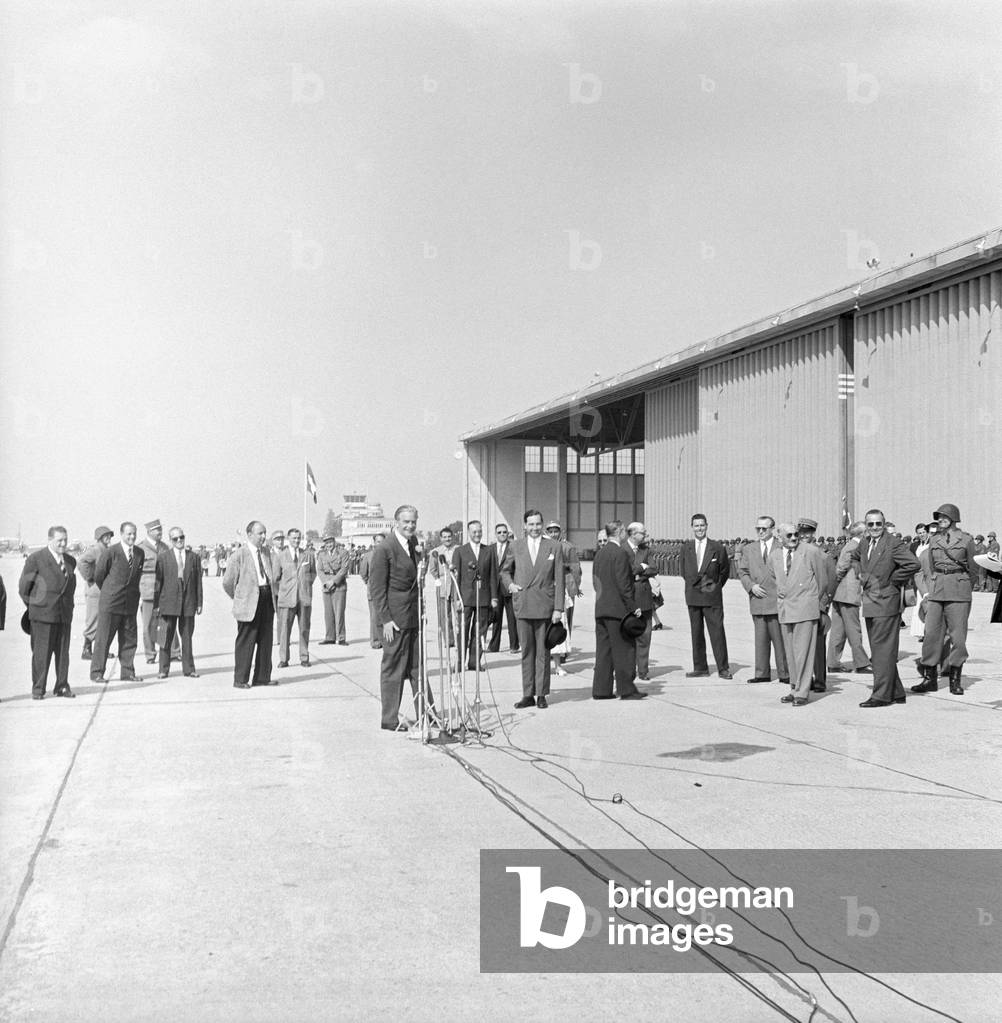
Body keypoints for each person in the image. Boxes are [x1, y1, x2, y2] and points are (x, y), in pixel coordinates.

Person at [838, 509, 920, 707]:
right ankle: (897, 691)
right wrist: (860, 574)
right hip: (871, 599)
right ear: (866, 526)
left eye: (878, 524)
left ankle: (882, 695)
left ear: (884, 524)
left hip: (886, 600)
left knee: (882, 649)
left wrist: (893, 581)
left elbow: (913, 564)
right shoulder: (865, 542)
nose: (874, 528)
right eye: (870, 524)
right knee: (882, 648)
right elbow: (855, 557)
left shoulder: (893, 543)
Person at [368, 505, 433, 731]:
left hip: (413, 615)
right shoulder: (385, 549)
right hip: (394, 620)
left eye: (413, 522)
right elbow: (376, 589)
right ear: (396, 522)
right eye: (406, 522)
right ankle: (389, 718)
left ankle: (427, 713)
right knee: (393, 668)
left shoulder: (414, 544)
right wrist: (385, 620)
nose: (410, 526)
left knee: (418, 666)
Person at [499, 509, 565, 709]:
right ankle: (527, 694)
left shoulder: (553, 546)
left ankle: (542, 693)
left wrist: (558, 608)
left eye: (538, 524)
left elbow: (560, 578)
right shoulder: (515, 546)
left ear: (542, 524)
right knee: (527, 651)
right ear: (525, 526)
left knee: (543, 652)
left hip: (545, 606)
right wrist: (510, 585)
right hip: (524, 604)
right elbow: (505, 571)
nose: (535, 528)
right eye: (531, 524)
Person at [914, 503, 977, 696]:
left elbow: (973, 570)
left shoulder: (966, 540)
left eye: (944, 517)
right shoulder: (934, 540)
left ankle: (955, 679)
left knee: (958, 637)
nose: (940, 519)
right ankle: (929, 678)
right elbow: (931, 567)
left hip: (959, 590)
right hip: (937, 590)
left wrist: (963, 585)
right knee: (931, 634)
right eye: (938, 517)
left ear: (954, 518)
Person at [768, 523, 834, 706]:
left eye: (796, 535)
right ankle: (794, 687)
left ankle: (802, 692)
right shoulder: (774, 556)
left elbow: (823, 581)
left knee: (803, 652)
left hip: (805, 609)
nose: (794, 538)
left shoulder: (811, 552)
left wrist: (813, 602)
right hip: (785, 609)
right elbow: (774, 577)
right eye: (789, 535)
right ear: (779, 537)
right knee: (790, 652)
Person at [18, 525, 77, 699]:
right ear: (50, 540)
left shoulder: (70, 560)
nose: (63, 543)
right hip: (42, 616)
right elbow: (24, 588)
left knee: (63, 654)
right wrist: (37, 607)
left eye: (65, 539)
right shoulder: (36, 559)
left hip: (64, 614)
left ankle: (62, 686)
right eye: (59, 540)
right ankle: (38, 689)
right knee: (41, 654)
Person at [592, 520, 646, 700]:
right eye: (624, 531)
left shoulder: (599, 554)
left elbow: (595, 583)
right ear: (620, 532)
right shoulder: (620, 553)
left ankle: (601, 690)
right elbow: (625, 585)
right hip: (617, 611)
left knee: (603, 652)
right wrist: (633, 607)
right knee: (623, 651)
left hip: (601, 609)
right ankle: (626, 690)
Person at [223, 521, 277, 689]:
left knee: (265, 640)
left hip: (266, 599)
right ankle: (240, 679)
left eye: (265, 533)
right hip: (248, 603)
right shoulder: (240, 555)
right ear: (250, 535)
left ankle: (262, 677)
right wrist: (240, 598)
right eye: (260, 533)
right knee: (246, 641)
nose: (263, 537)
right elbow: (228, 582)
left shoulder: (267, 552)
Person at [737, 515, 789, 685]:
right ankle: (762, 673)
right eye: (757, 528)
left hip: (776, 600)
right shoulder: (749, 549)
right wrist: (751, 586)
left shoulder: (781, 546)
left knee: (780, 641)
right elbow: (742, 571)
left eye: (764, 529)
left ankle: (785, 673)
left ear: (772, 529)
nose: (760, 532)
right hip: (757, 599)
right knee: (760, 640)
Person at [91, 521, 146, 683]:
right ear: (122, 534)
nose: (132, 536)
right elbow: (99, 575)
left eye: (134, 533)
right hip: (111, 603)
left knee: (129, 639)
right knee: (103, 638)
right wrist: (110, 592)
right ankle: (97, 672)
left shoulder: (139, 553)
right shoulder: (111, 552)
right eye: (129, 533)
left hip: (130, 603)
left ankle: (127, 672)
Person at [681, 513, 731, 678]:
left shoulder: (717, 547)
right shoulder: (686, 547)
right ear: (692, 527)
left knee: (717, 632)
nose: (699, 528)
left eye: (702, 525)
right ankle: (700, 667)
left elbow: (723, 572)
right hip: (693, 595)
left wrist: (713, 587)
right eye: (696, 525)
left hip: (712, 596)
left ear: (707, 526)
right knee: (696, 633)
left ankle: (723, 668)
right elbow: (684, 571)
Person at [152, 526, 203, 679]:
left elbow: (198, 582)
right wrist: (157, 604)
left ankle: (189, 669)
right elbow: (158, 583)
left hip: (188, 603)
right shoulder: (163, 558)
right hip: (168, 603)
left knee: (187, 636)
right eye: (175, 539)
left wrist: (199, 602)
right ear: (171, 541)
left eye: (181, 537)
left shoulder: (194, 557)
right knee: (166, 638)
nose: (179, 540)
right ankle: (163, 669)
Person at [827, 521, 872, 675]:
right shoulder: (855, 546)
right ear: (862, 533)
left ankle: (833, 662)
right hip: (848, 593)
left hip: (841, 593)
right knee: (854, 629)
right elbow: (841, 567)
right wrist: (838, 581)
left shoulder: (852, 545)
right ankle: (861, 663)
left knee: (838, 630)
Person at [796, 517, 836, 692]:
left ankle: (820, 679)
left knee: (818, 644)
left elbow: (830, 582)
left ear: (813, 534)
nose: (804, 536)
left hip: (816, 606)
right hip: (798, 606)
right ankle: (805, 679)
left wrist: (823, 606)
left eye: (808, 533)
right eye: (801, 533)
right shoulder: (794, 554)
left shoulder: (823, 555)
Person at [454, 520, 498, 671]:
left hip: (484, 599)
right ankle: (460, 663)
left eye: (479, 531)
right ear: (468, 533)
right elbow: (456, 578)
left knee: (480, 632)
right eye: (474, 532)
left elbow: (493, 575)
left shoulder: (489, 551)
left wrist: (494, 597)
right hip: (465, 599)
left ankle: (474, 662)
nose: (477, 534)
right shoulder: (460, 551)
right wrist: (456, 599)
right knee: (463, 632)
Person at [273, 527, 316, 669]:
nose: (296, 540)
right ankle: (284, 659)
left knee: (304, 628)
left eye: (298, 538)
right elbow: (275, 578)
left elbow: (313, 573)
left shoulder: (308, 555)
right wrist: (285, 590)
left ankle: (304, 657)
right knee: (285, 630)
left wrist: (306, 585)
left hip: (304, 598)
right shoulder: (281, 556)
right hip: (287, 599)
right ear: (288, 539)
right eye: (294, 538)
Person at [138, 519, 178, 666]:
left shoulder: (165, 547)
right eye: (156, 530)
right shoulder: (140, 548)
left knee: (168, 622)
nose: (160, 532)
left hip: (164, 591)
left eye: (160, 529)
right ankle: (150, 654)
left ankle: (174, 652)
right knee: (148, 625)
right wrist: (138, 595)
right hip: (148, 592)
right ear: (149, 532)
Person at [545, 521, 581, 675]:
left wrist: (575, 587)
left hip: (566, 584)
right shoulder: (545, 546)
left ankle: (563, 651)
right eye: (550, 531)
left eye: (556, 531)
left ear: (561, 532)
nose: (553, 534)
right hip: (548, 586)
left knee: (565, 620)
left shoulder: (567, 547)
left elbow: (575, 568)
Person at [625, 522, 657, 681]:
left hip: (644, 597)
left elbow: (654, 568)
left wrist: (639, 573)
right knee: (626, 637)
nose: (645, 535)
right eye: (642, 533)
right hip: (627, 598)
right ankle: (626, 670)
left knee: (645, 636)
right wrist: (641, 567)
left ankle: (643, 671)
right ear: (632, 534)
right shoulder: (622, 549)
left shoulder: (646, 550)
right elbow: (625, 571)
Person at [76, 525, 113, 660]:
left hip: (104, 589)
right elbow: (81, 561)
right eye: (105, 536)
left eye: (109, 535)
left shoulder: (106, 550)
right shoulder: (96, 549)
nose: (108, 538)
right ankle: (86, 650)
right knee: (93, 620)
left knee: (103, 621)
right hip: (95, 590)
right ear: (99, 538)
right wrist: (89, 577)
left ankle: (100, 650)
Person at [487, 524, 518, 653]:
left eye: (504, 532)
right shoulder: (490, 549)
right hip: (495, 588)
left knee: (512, 618)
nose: (502, 534)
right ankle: (494, 646)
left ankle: (514, 646)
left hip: (509, 586)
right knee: (496, 618)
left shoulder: (513, 547)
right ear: (496, 534)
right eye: (499, 532)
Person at [428, 526, 461, 649]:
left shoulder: (458, 549)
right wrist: (438, 579)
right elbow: (433, 569)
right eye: (445, 537)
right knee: (444, 614)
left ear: (453, 537)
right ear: (441, 538)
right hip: (443, 585)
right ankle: (448, 639)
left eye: (449, 537)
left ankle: (460, 638)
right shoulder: (435, 552)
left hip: (456, 583)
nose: (447, 539)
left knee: (459, 611)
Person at [316, 535, 349, 645]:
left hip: (338, 585)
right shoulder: (321, 554)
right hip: (326, 585)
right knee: (328, 613)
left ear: (334, 542)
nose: (328, 545)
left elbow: (344, 569)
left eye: (330, 542)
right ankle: (330, 637)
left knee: (339, 612)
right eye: (326, 543)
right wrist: (326, 582)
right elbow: (319, 570)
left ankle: (341, 637)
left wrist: (333, 581)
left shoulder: (343, 553)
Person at [359, 533, 386, 649]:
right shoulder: (368, 556)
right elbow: (363, 573)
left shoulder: (389, 555)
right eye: (378, 541)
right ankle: (375, 640)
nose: (380, 544)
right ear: (374, 543)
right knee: (375, 617)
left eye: (382, 541)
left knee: (386, 616)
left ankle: (386, 640)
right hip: (374, 591)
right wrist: (370, 583)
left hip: (387, 590)